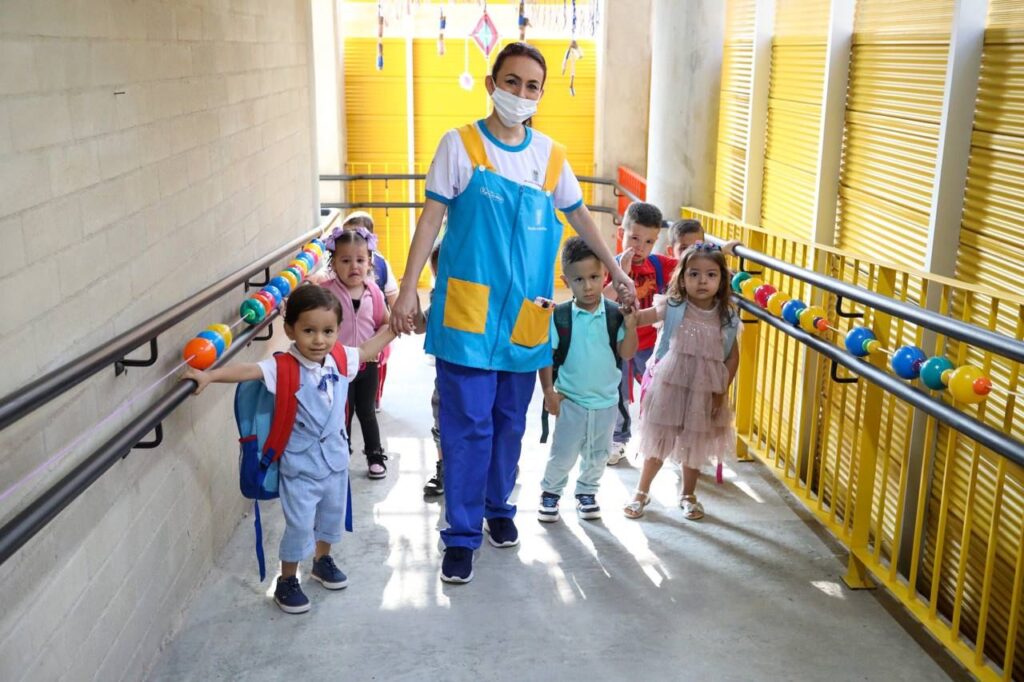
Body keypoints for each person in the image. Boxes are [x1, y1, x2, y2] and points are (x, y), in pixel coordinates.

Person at [389, 41, 636, 584]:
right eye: (512, 81)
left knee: (509, 423)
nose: (521, 93)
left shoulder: (549, 156)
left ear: (540, 95)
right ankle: (460, 534)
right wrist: (408, 289)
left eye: (532, 86)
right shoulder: (459, 145)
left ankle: (498, 508)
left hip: (526, 315)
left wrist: (616, 270)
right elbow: (430, 220)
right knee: (466, 427)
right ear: (492, 83)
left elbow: (580, 218)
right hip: (467, 317)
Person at [183, 285, 395, 613]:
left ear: (337, 331)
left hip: (335, 462)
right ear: (290, 330)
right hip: (300, 467)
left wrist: (394, 328)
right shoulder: (282, 367)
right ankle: (287, 580)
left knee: (331, 516)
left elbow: (367, 350)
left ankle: (322, 561)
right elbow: (248, 370)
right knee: (299, 525)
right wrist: (210, 376)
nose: (319, 340)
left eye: (328, 331)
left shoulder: (340, 357)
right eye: (309, 331)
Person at [622, 243, 742, 521]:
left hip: (704, 391)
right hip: (670, 387)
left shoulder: (726, 317)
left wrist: (721, 391)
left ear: (722, 280)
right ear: (682, 277)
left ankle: (688, 494)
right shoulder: (674, 306)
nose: (702, 281)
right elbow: (640, 319)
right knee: (659, 441)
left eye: (711, 275)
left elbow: (732, 357)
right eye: (694, 274)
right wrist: (629, 311)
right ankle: (641, 492)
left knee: (694, 443)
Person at [537, 237, 638, 523]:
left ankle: (587, 493)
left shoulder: (615, 314)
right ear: (565, 281)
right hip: (571, 400)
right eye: (579, 280)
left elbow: (626, 353)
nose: (588, 286)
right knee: (563, 453)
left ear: (605, 274)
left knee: (598, 455)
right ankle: (550, 492)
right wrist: (548, 391)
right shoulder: (560, 316)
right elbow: (546, 357)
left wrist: (631, 327)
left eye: (594, 277)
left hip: (606, 402)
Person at [314, 227, 392, 479]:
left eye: (360, 260)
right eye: (345, 260)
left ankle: (375, 455)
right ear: (334, 263)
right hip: (337, 366)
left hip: (368, 364)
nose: (354, 266)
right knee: (341, 412)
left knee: (366, 411)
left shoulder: (374, 292)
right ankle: (341, 453)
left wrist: (378, 347)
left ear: (369, 262)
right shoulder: (326, 292)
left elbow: (384, 322)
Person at [603, 202, 675, 465]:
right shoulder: (609, 265)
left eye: (649, 241)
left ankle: (656, 439)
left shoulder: (659, 265)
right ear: (622, 234)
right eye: (634, 238)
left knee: (657, 393)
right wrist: (621, 274)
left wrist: (720, 253)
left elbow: (692, 264)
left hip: (651, 346)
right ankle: (618, 439)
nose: (640, 247)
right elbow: (600, 300)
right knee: (618, 394)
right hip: (619, 345)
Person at [339, 211, 397, 413]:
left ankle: (375, 397)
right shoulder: (335, 279)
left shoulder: (381, 264)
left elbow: (392, 294)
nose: (351, 242)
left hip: (374, 333)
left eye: (357, 236)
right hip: (346, 344)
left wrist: (397, 317)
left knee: (377, 368)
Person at [423, 241, 444, 496]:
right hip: (446, 373)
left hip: (476, 372)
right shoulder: (437, 296)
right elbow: (423, 323)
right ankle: (443, 468)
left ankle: (499, 466)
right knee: (441, 418)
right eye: (439, 275)